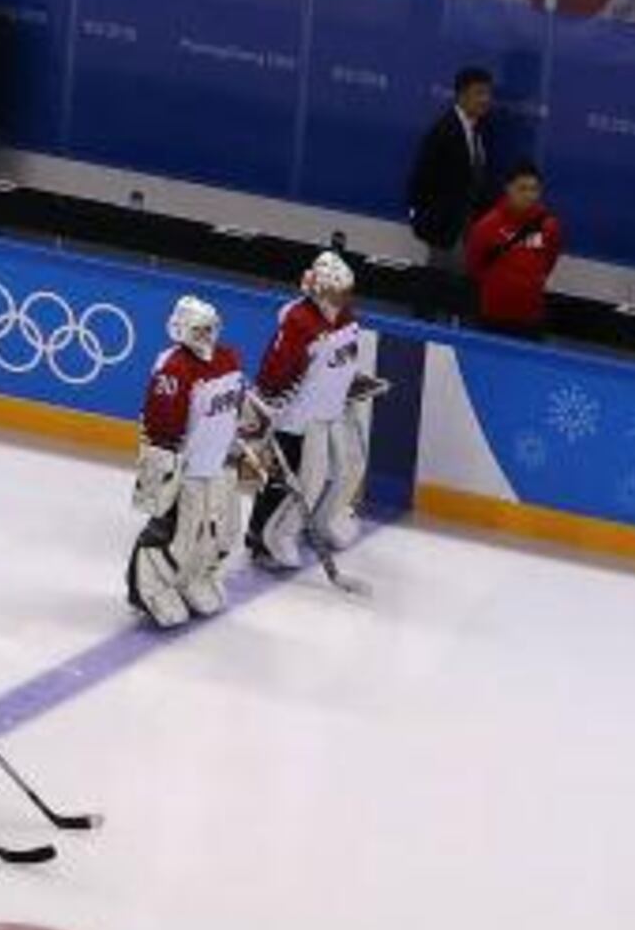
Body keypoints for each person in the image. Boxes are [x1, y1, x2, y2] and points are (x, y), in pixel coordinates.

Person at [251, 250, 381, 574]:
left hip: (332, 411)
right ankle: (268, 538)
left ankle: (323, 522)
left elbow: (341, 359)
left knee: (351, 467)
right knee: (297, 482)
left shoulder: (346, 315)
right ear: (320, 290)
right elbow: (274, 373)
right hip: (298, 419)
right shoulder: (298, 320)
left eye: (347, 291)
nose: (344, 298)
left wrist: (350, 382)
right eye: (337, 292)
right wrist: (268, 414)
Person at [126, 297, 250, 631]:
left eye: (211, 328)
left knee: (220, 535)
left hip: (219, 465)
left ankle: (194, 579)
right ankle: (148, 587)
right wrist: (160, 475)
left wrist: (239, 444)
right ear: (181, 329)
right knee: (180, 534)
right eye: (199, 329)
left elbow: (235, 408)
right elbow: (160, 426)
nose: (207, 335)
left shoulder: (228, 358)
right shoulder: (173, 368)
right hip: (188, 469)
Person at [402, 66, 496, 302]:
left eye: (488, 94)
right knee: (436, 284)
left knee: (451, 285)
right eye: (479, 93)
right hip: (445, 227)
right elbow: (421, 179)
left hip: (464, 227)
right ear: (462, 95)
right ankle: (422, 331)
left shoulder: (474, 130)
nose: (486, 100)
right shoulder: (445, 130)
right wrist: (425, 220)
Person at [465, 167, 564, 337]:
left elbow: (550, 259)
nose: (529, 195)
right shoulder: (487, 226)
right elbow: (474, 264)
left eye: (534, 189)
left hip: (530, 316)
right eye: (522, 188)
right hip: (493, 315)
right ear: (508, 188)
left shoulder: (549, 226)